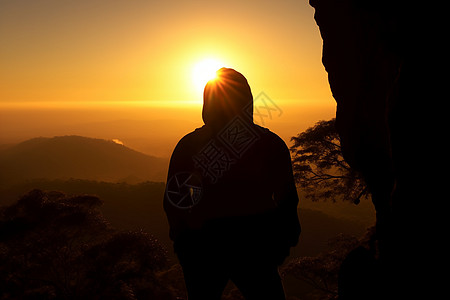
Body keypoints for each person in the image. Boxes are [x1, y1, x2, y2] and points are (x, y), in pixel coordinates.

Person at [164, 68, 300, 300]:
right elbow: (287, 201)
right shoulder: (270, 143)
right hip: (254, 245)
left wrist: (184, 243)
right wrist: (282, 243)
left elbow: (175, 202)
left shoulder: (189, 145)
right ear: (247, 101)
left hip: (205, 245)